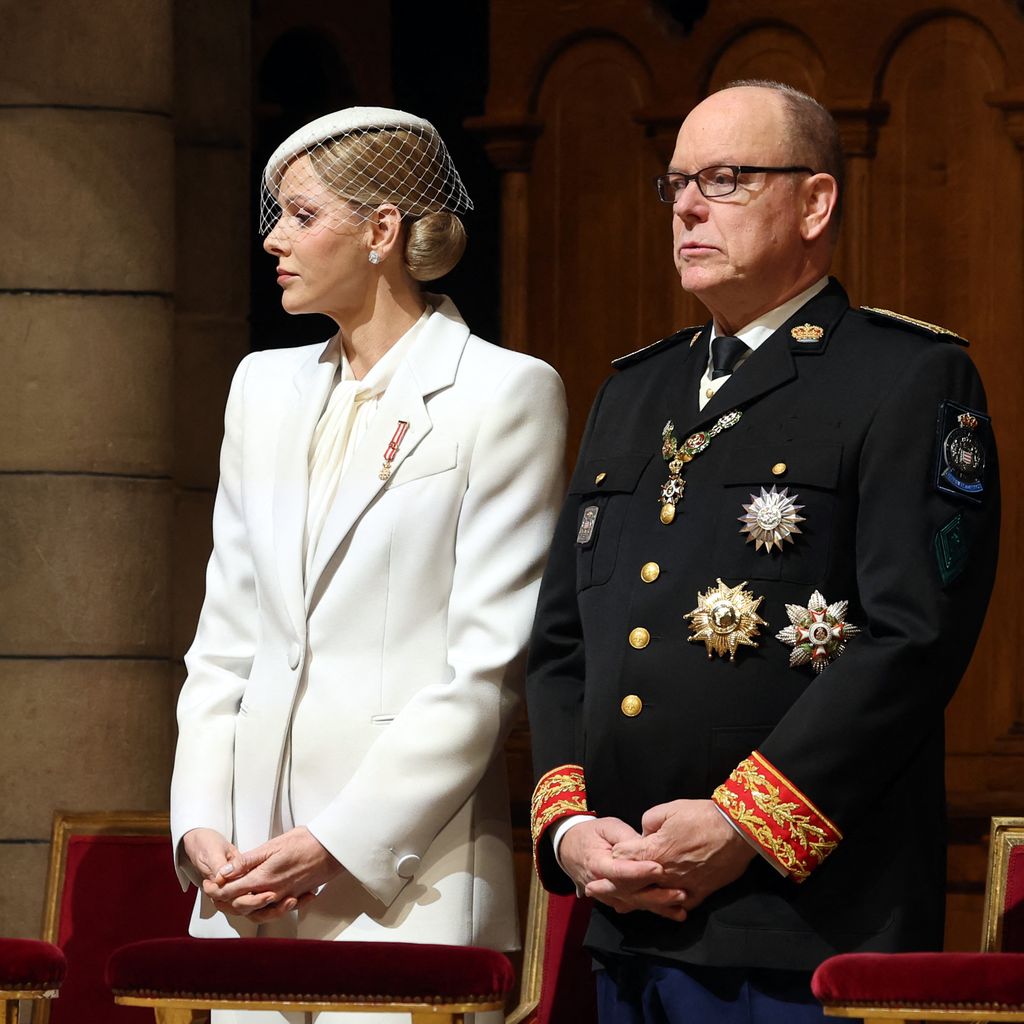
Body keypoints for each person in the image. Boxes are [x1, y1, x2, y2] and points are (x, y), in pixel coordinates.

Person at [525, 81, 999, 1023]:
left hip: (805, 924)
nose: (689, 206)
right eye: (677, 184)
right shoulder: (637, 390)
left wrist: (745, 822)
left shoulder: (904, 375)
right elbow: (565, 640)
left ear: (816, 203)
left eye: (727, 179)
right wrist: (570, 828)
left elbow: (913, 636)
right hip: (627, 914)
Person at [169, 106, 567, 1024]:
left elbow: (488, 667)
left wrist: (339, 841)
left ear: (383, 230)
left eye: (302, 215)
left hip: (406, 883)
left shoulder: (501, 393)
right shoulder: (261, 388)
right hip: (246, 880)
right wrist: (203, 828)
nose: (273, 239)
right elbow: (226, 637)